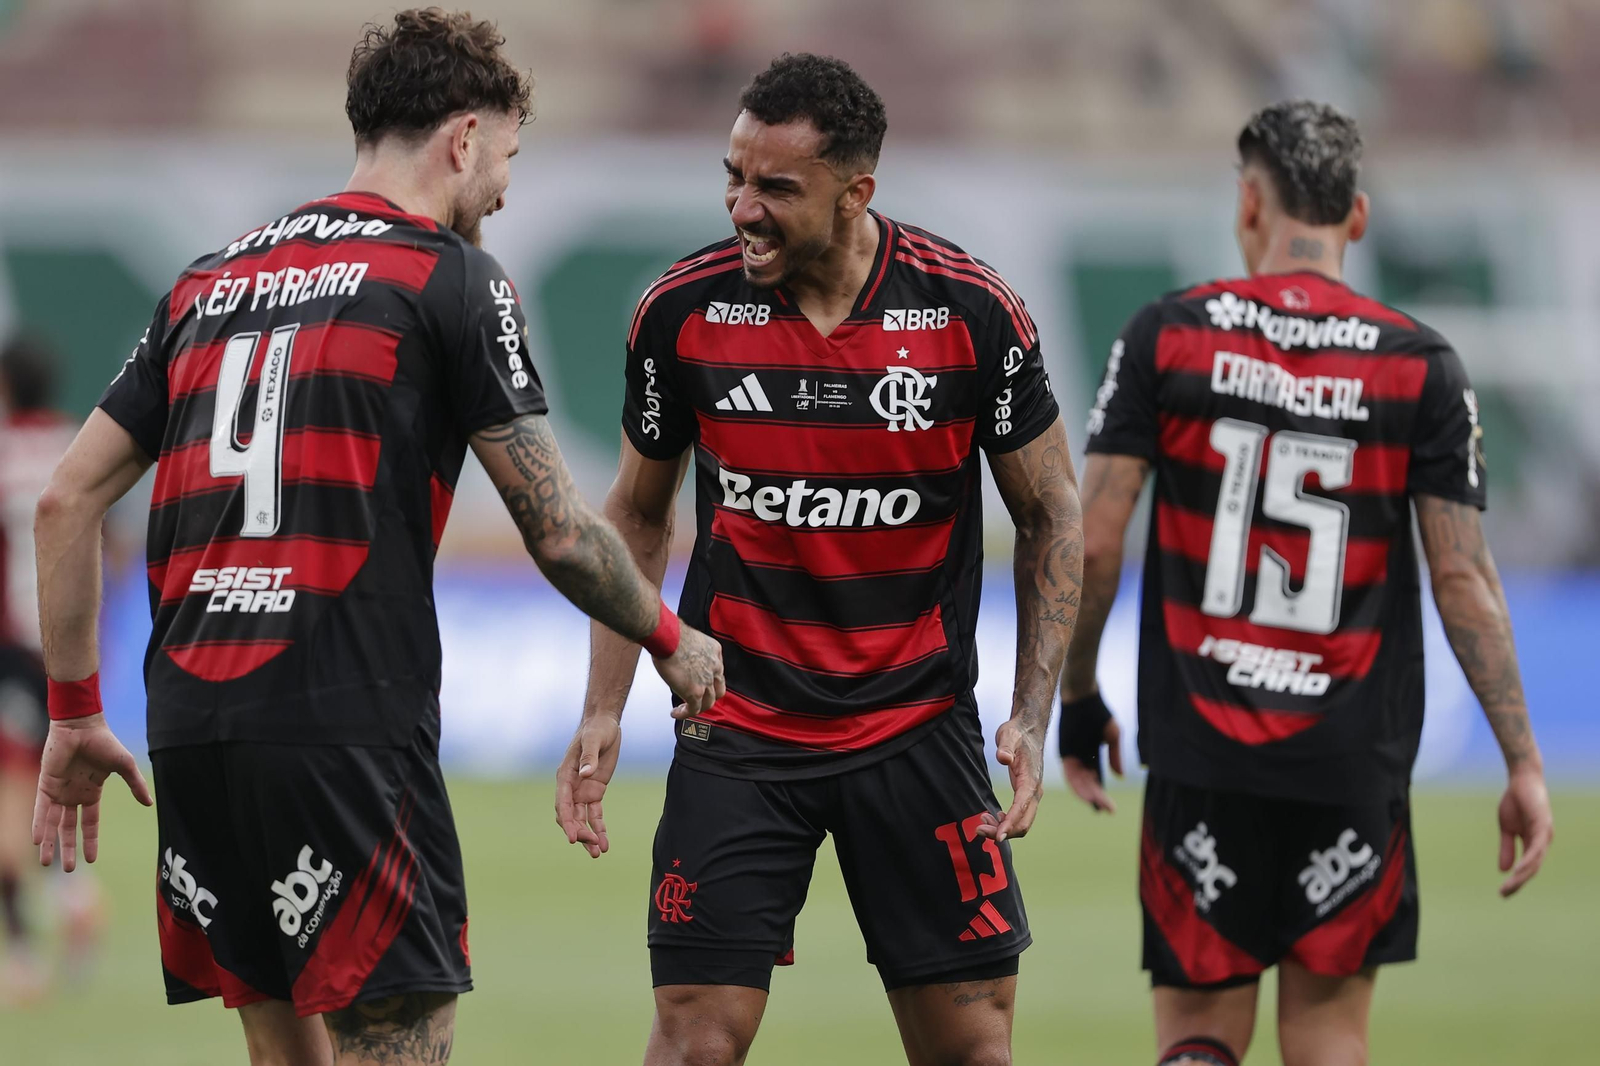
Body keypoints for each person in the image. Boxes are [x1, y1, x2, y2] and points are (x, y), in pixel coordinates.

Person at [29, 10, 723, 1065]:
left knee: (284, 1047)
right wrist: (672, 638)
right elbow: (561, 532)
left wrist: (76, 711)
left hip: (191, 720)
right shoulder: (446, 277)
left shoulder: (208, 282)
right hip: (341, 719)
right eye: (505, 157)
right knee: (396, 1037)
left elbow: (64, 501)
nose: (503, 187)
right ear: (461, 140)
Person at [556, 53, 1083, 1066]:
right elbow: (636, 514)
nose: (741, 207)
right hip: (738, 728)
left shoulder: (970, 313)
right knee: (693, 1039)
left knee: (973, 1048)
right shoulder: (683, 311)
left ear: (857, 193)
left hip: (917, 729)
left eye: (774, 188)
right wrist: (604, 703)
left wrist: (1027, 712)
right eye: (733, 177)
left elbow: (1053, 514)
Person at [1058, 99, 1554, 1066]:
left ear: (1249, 204)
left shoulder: (1168, 336)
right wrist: (1523, 762)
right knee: (1328, 1039)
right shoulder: (1421, 367)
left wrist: (1077, 700)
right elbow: (1462, 576)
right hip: (1350, 757)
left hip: (1203, 749)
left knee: (1200, 1039)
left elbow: (1093, 543)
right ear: (1356, 219)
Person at [0, 336, 102, 1003]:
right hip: (65, 653)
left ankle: (23, 953)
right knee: (47, 786)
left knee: (9, 808)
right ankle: (72, 896)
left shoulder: (2, 451)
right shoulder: (77, 444)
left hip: (10, 652)